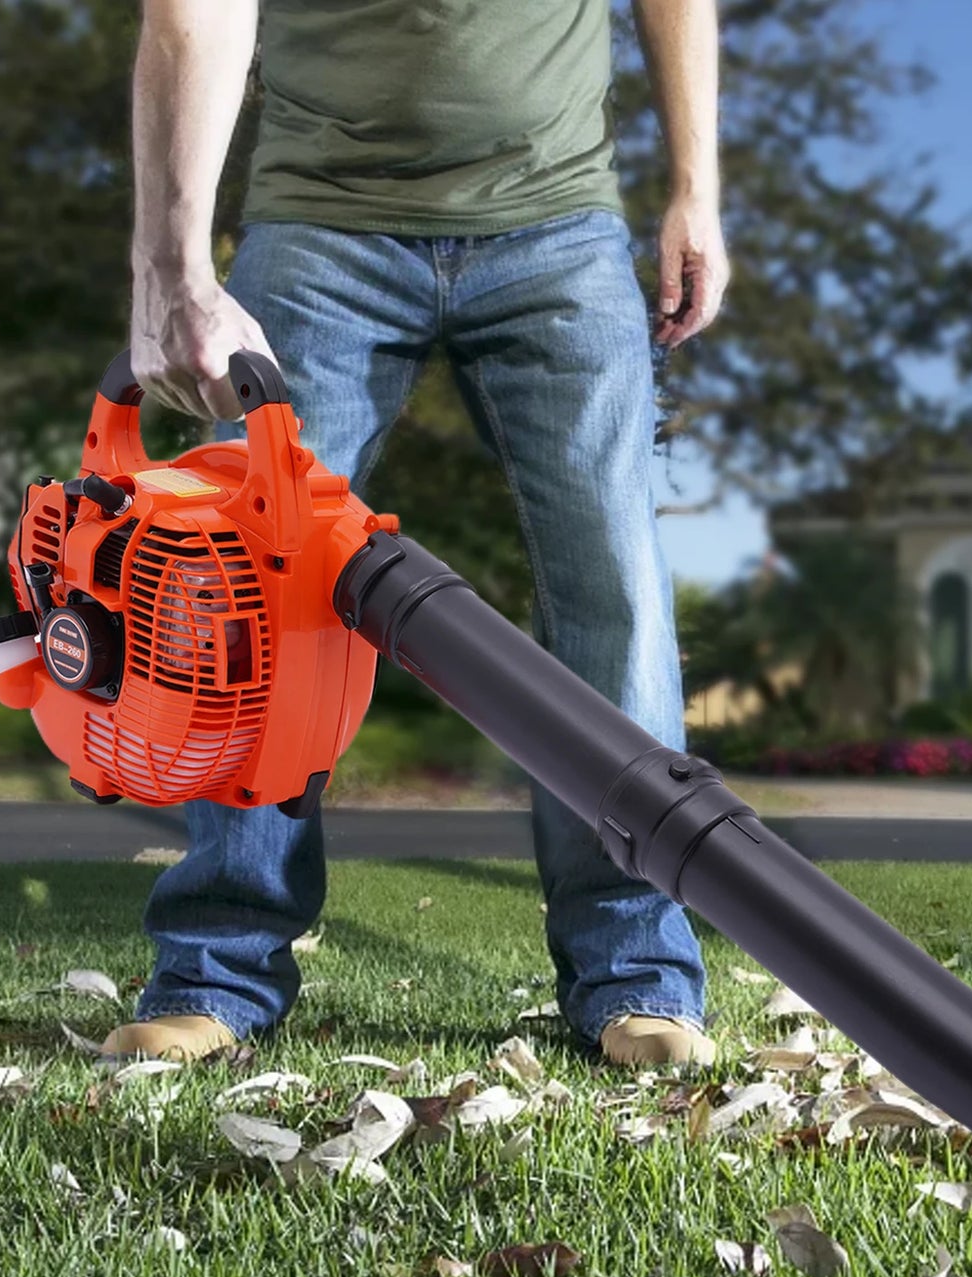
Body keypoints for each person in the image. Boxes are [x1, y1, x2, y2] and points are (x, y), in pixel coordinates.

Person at [101, 0, 731, 1069]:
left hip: (556, 222)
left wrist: (694, 188)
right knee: (241, 585)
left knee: (610, 580)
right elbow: (194, 13)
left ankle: (634, 970)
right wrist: (171, 270)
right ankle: (215, 969)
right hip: (317, 230)